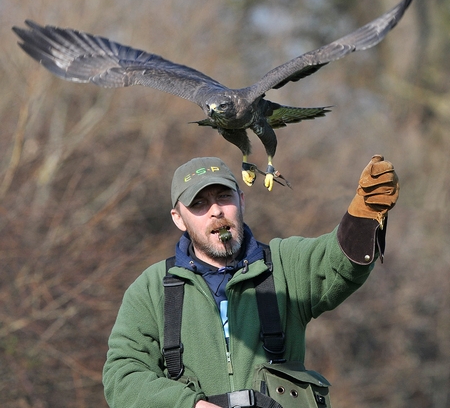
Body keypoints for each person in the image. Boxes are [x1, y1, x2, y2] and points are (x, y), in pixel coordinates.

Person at [103, 155, 399, 408]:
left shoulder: (285, 265)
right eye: (199, 203)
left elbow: (337, 260)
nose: (216, 210)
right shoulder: (151, 289)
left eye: (224, 197)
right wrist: (187, 404)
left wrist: (364, 217)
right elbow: (122, 375)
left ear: (241, 200)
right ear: (178, 218)